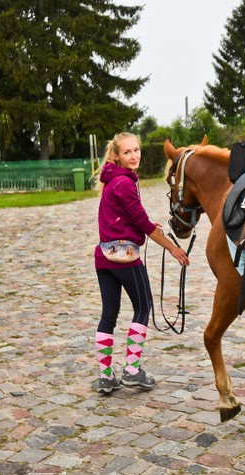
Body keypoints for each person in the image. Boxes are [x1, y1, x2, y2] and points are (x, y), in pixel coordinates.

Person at [94, 132, 189, 394]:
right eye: (127, 152)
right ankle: (133, 371)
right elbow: (143, 224)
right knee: (143, 307)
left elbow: (125, 219)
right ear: (117, 156)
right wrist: (173, 248)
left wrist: (140, 228)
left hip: (104, 257)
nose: (134, 155)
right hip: (125, 259)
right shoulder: (124, 183)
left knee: (108, 315)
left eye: (136, 150)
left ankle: (106, 377)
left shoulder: (112, 179)